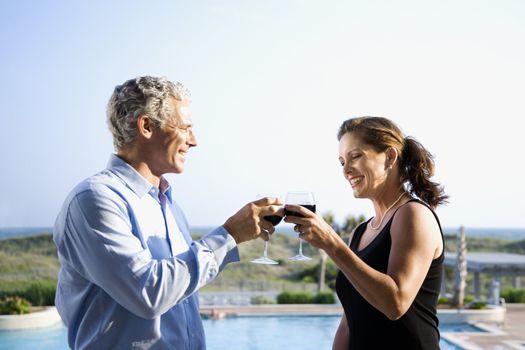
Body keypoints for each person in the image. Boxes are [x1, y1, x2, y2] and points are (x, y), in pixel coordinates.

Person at [53, 76, 283, 350]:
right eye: (185, 128)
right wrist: (229, 235)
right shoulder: (94, 200)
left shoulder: (170, 206)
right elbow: (148, 293)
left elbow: (178, 288)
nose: (194, 141)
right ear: (147, 126)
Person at [284, 116, 448, 350]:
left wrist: (331, 243)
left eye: (356, 156)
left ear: (390, 157)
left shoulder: (412, 215)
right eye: (342, 162)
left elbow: (396, 303)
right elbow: (350, 320)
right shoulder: (360, 232)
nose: (346, 170)